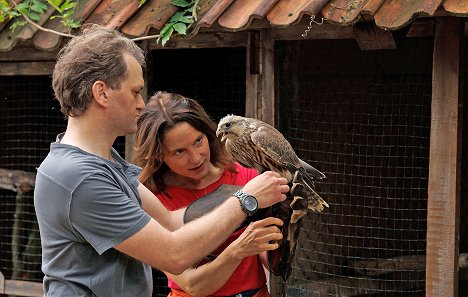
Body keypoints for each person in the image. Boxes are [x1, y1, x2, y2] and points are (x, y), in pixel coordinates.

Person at [33, 24, 289, 297]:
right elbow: (173, 254)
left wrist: (252, 192)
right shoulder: (79, 177)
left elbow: (170, 220)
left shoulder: (105, 161)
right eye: (134, 91)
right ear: (102, 93)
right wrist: (245, 201)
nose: (141, 104)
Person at [133, 92, 275, 297]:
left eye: (198, 141)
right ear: (158, 156)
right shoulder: (152, 201)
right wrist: (239, 249)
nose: (196, 157)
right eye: (179, 152)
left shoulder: (246, 176)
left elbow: (270, 261)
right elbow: (193, 285)